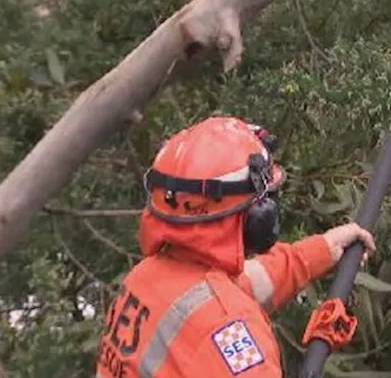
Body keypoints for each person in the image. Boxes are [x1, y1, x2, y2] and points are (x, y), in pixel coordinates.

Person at [94, 116, 375, 378]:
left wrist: (323, 250)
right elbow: (223, 314)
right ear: (254, 216)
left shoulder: (147, 278)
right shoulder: (229, 330)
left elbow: (244, 283)